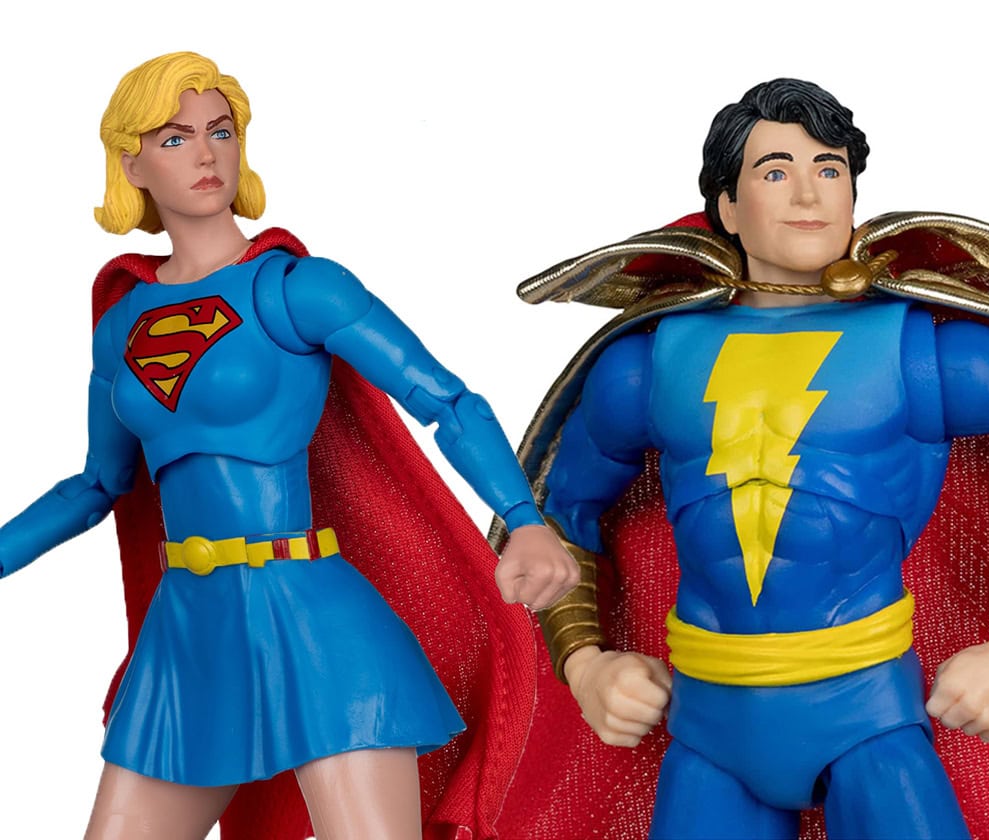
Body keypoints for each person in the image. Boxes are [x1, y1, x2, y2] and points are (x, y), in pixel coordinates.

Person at [506, 77, 989, 839]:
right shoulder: (647, 363)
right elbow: (559, 510)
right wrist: (584, 662)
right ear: (728, 207)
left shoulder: (918, 350)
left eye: (830, 169)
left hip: (868, 713)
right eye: (776, 171)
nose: (809, 193)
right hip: (707, 720)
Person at [0, 51, 578, 839]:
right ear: (131, 164)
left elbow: (445, 400)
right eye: (174, 138)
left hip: (311, 617)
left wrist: (526, 518)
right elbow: (97, 485)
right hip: (188, 632)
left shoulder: (296, 288)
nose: (205, 154)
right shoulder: (121, 325)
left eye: (220, 131)